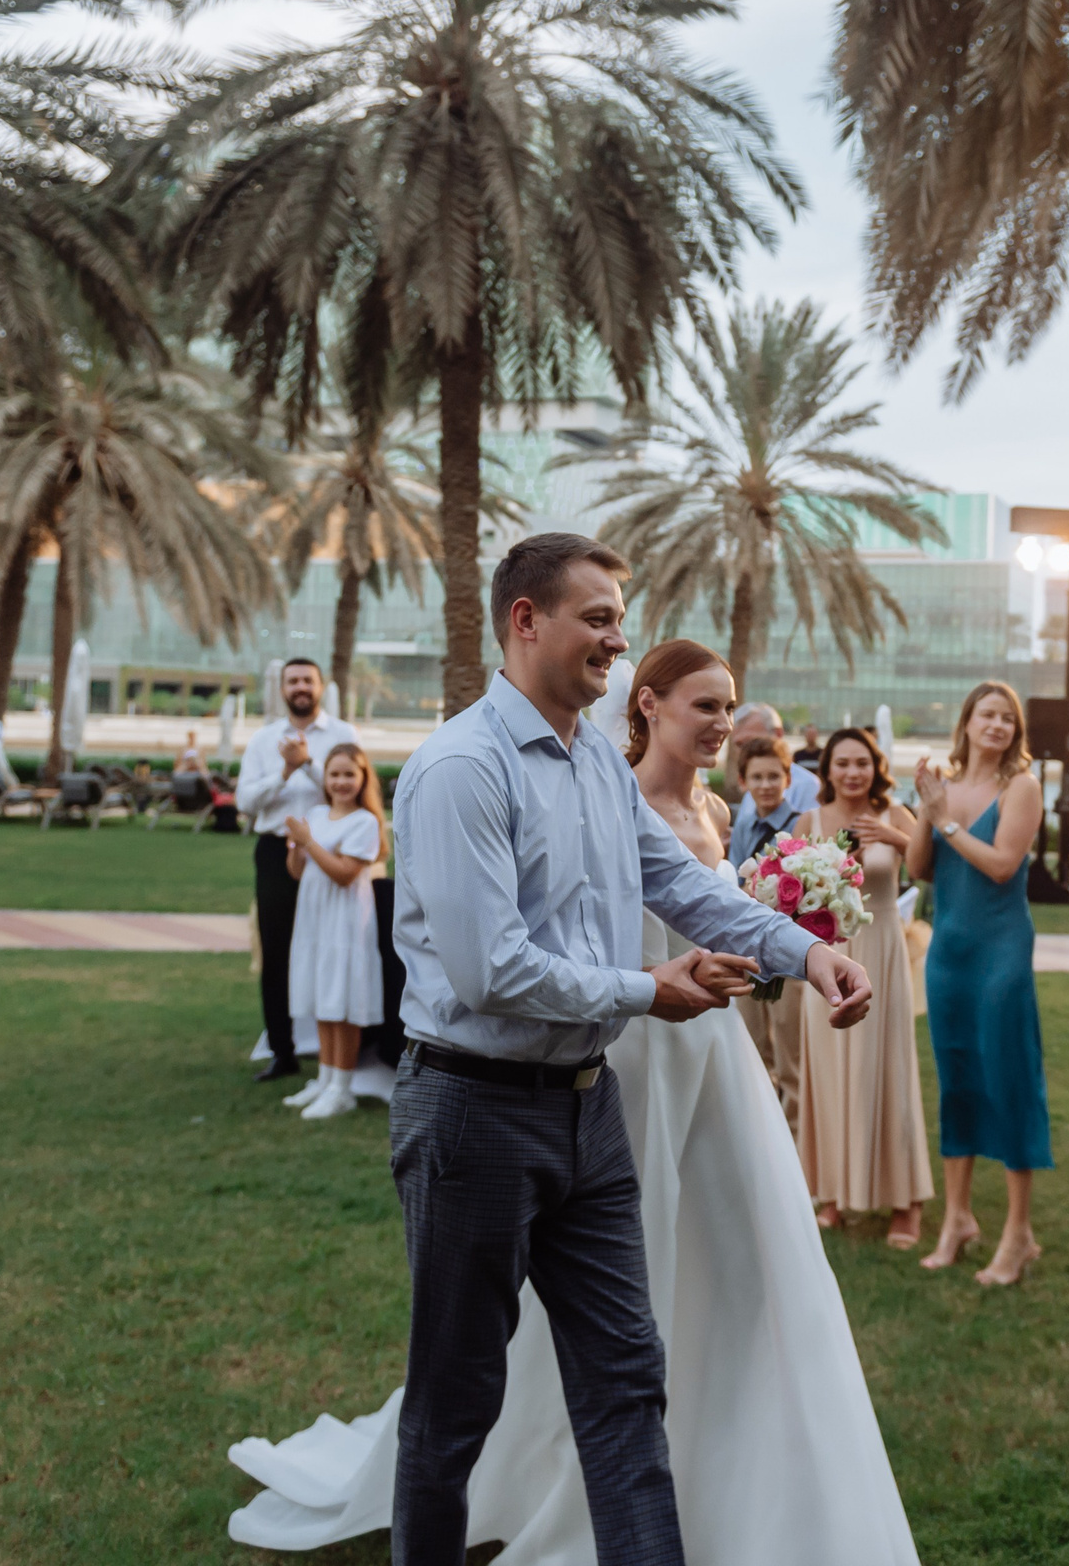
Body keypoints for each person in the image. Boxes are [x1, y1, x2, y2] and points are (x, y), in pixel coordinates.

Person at [252, 534, 881, 1566]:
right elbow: (489, 967)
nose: (617, 639)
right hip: (472, 1115)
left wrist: (804, 958)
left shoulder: (594, 755)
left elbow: (679, 888)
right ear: (525, 621)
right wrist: (649, 990)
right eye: (597, 617)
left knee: (628, 1384)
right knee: (456, 1400)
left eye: (619, 619)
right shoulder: (460, 770)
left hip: (588, 1113)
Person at [907, 681, 1052, 1286]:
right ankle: (957, 1219)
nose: (997, 725)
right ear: (966, 722)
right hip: (949, 954)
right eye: (987, 715)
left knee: (1010, 1078)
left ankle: (1019, 1233)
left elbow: (1001, 865)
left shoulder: (1022, 787)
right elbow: (921, 871)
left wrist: (945, 824)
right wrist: (926, 810)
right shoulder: (945, 787)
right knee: (958, 1080)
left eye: (1007, 718)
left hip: (1001, 953)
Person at [795, 728, 933, 1247]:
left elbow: (925, 867)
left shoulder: (896, 814)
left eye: (862, 763)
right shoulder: (808, 822)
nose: (853, 773)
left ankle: (906, 1202)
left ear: (875, 769)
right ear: (826, 769)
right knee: (828, 1071)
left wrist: (894, 836)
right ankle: (831, 1194)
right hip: (827, 959)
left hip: (882, 954)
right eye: (842, 763)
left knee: (889, 1069)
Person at [237, 659, 360, 1083]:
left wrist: (307, 764)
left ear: (321, 686)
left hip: (333, 851)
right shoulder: (264, 740)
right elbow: (246, 801)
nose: (301, 687)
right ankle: (282, 1050)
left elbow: (351, 788)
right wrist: (284, 770)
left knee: (337, 946)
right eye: (293, 681)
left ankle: (343, 1052)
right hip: (275, 851)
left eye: (308, 680)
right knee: (277, 951)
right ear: (283, 689)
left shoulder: (343, 735)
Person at [282, 744, 389, 1120]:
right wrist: (296, 846)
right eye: (335, 774)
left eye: (349, 774)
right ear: (324, 779)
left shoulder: (364, 822)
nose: (341, 782)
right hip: (314, 919)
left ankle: (342, 1087)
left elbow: (344, 874)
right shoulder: (315, 814)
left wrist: (309, 842)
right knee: (323, 999)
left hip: (344, 921)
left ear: (362, 780)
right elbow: (297, 871)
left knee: (343, 1000)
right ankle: (325, 1079)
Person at [729, 734, 808, 1121]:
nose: (765, 785)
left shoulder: (800, 826)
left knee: (790, 1055)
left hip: (787, 957)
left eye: (773, 776)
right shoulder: (744, 825)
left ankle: (795, 1134)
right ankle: (759, 1126)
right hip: (748, 953)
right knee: (752, 1049)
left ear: (788, 779)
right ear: (743, 781)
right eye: (756, 777)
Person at [730, 702, 819, 836]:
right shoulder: (752, 786)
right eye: (739, 745)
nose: (745, 752)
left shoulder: (808, 785)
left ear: (778, 734)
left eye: (752, 743)